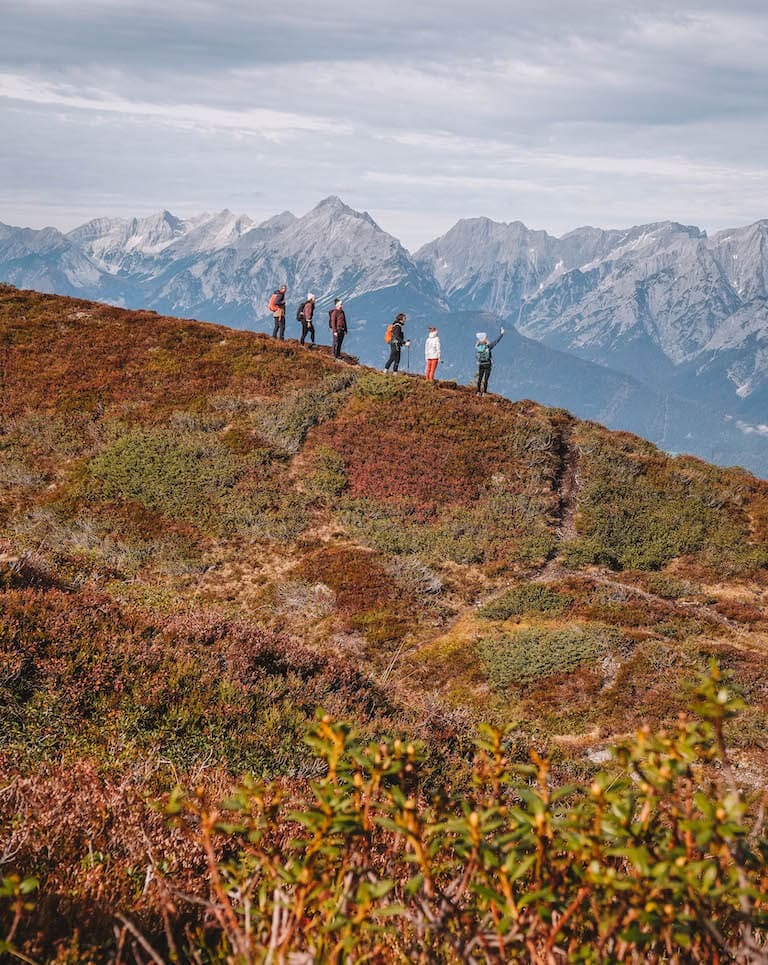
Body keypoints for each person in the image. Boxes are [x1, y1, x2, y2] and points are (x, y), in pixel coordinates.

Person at [475, 328, 505, 396]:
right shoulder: (488, 346)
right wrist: (502, 334)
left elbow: (477, 355)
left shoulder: (478, 346)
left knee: (480, 378)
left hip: (481, 364)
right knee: (486, 379)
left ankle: (478, 392)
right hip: (488, 364)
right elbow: (496, 341)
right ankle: (484, 393)